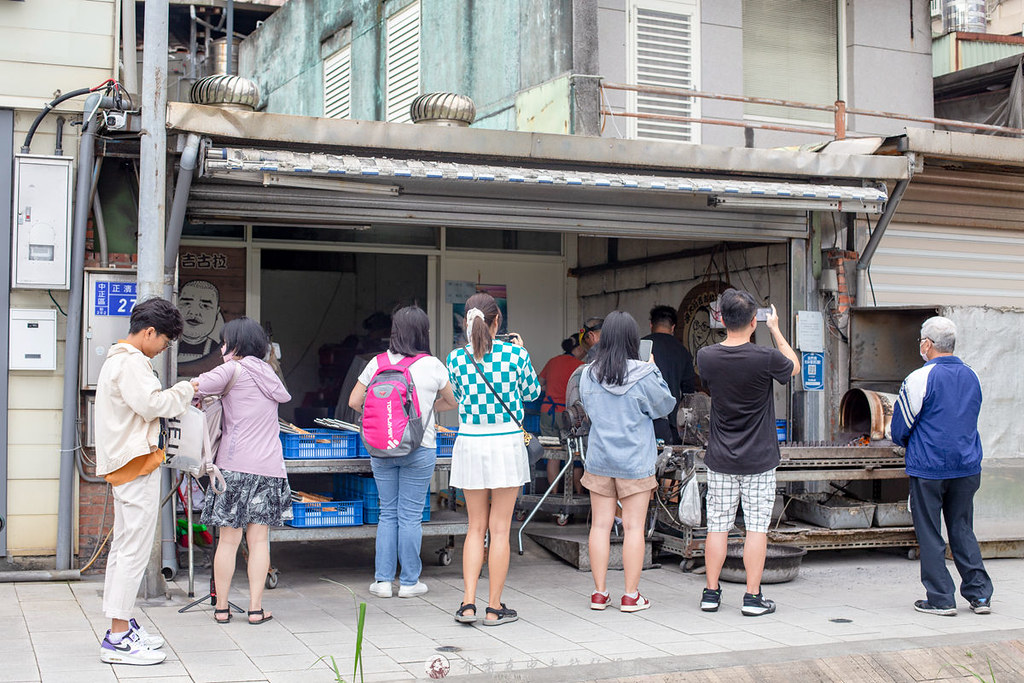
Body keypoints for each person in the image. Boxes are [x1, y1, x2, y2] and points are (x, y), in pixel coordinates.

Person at [95, 298, 195, 666]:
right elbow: (154, 405)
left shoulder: (116, 360)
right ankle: (118, 637)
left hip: (126, 465)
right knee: (132, 553)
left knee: (124, 550)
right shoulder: (132, 363)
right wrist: (187, 388)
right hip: (136, 466)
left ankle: (120, 627)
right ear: (150, 332)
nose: (164, 349)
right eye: (165, 341)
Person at [696, 289, 799, 617]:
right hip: (760, 457)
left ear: (721, 319)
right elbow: (793, 368)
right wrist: (777, 330)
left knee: (718, 526)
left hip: (721, 456)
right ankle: (753, 598)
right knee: (756, 527)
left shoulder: (706, 356)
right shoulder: (766, 358)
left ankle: (711, 593)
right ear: (755, 321)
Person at [348, 306, 457, 599]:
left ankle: (382, 581)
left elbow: (355, 401)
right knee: (410, 516)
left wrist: (385, 418)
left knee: (387, 514)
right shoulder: (432, 365)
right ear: (424, 333)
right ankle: (409, 582)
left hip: (382, 447)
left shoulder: (377, 363)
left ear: (394, 331)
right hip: (420, 447)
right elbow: (452, 401)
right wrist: (425, 409)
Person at [447, 292, 541, 626]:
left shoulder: (456, 359)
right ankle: (494, 607)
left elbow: (458, 397)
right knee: (500, 530)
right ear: (496, 321)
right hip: (505, 443)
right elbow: (532, 393)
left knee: (475, 528)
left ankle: (467, 603)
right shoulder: (515, 354)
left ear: (466, 322)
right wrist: (523, 351)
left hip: (470, 442)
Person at [891, 316, 993, 616]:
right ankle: (980, 596)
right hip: (967, 466)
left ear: (927, 344)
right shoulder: (973, 375)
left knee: (930, 533)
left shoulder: (919, 378)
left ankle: (941, 598)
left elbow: (901, 428)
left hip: (929, 468)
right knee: (962, 529)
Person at [194, 317, 292, 625]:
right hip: (269, 469)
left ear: (235, 345)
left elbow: (194, 387)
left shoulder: (231, 369)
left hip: (233, 468)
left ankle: (222, 608)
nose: (221, 347)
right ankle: (255, 608)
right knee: (260, 541)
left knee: (228, 541)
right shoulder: (270, 374)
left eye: (224, 342)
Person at [579, 311, 675, 613]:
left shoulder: (588, 373)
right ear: (635, 341)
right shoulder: (644, 374)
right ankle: (631, 596)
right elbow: (665, 406)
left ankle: (599, 593)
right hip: (634, 460)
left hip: (599, 459)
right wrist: (654, 370)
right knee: (634, 528)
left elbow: (588, 409)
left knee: (600, 526)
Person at [642, 305, 696, 444]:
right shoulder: (682, 351)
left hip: (643, 419)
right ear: (672, 327)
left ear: (651, 325)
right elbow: (689, 391)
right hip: (672, 422)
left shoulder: (641, 346)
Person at [538, 336, 584, 493]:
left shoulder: (552, 361)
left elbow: (539, 383)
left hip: (548, 413)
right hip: (568, 416)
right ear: (577, 348)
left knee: (553, 454)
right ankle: (577, 493)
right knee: (575, 453)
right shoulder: (581, 367)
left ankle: (554, 494)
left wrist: (551, 388)